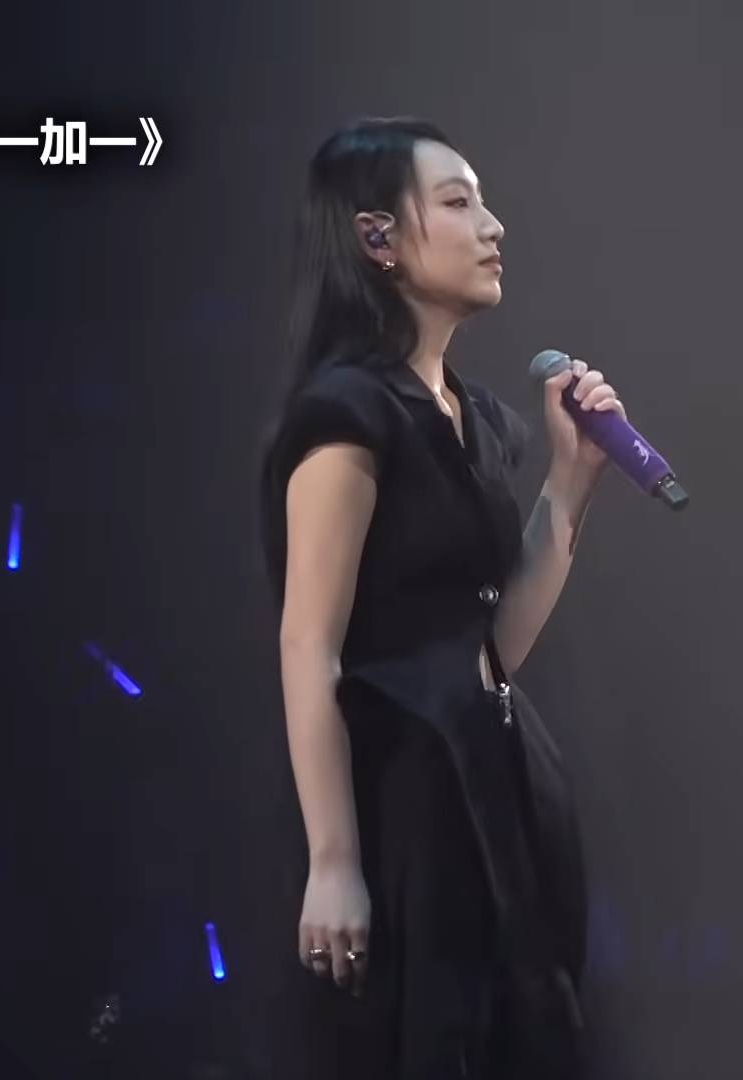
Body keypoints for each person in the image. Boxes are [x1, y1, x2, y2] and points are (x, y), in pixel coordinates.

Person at [260, 117, 622, 1079]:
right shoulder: (347, 412)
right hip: (405, 790)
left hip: (500, 779)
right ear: (377, 238)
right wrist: (334, 860)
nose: (492, 226)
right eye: (459, 203)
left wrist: (569, 486)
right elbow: (308, 644)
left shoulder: (479, 419)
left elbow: (494, 645)